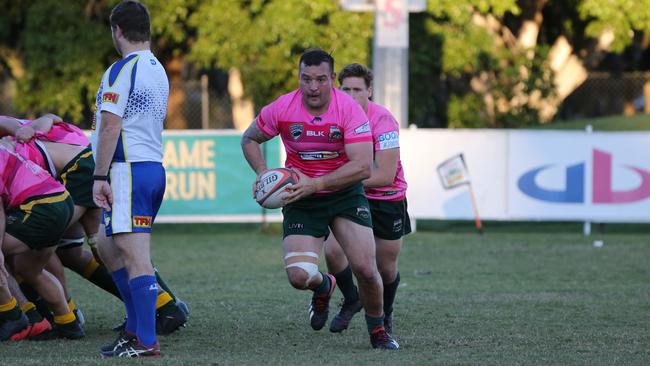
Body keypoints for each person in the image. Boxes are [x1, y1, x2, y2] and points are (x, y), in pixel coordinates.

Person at [241, 48, 399, 349]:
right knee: (299, 277)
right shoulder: (283, 107)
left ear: (332, 79)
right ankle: (325, 284)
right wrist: (262, 173)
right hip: (301, 198)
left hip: (343, 193)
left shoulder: (349, 110)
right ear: (298, 77)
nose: (313, 87)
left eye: (321, 79)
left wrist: (317, 183)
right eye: (306, 79)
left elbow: (364, 166)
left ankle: (378, 330)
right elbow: (249, 138)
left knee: (367, 269)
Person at [0, 114, 187, 338]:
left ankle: (55, 315)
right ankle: (163, 305)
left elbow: (37, 124)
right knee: (93, 248)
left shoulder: (15, 143)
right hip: (79, 166)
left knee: (40, 245)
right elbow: (48, 119)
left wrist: (31, 129)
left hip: (76, 170)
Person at [91, 0, 168, 358]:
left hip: (128, 171)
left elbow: (110, 124)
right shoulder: (157, 68)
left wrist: (100, 175)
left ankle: (145, 340)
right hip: (150, 169)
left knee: (136, 256)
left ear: (117, 30)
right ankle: (135, 328)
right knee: (106, 245)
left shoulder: (121, 70)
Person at [324, 63, 411, 336]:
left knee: (385, 270)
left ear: (369, 91)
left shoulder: (382, 120)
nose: (350, 95)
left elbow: (384, 175)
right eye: (345, 89)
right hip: (350, 197)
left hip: (386, 198)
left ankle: (386, 314)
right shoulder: (330, 117)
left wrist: (334, 181)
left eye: (357, 90)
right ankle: (352, 299)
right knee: (333, 252)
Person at [0, 143, 82, 341]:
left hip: (41, 207)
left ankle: (13, 316)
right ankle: (68, 323)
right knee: (30, 268)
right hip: (60, 201)